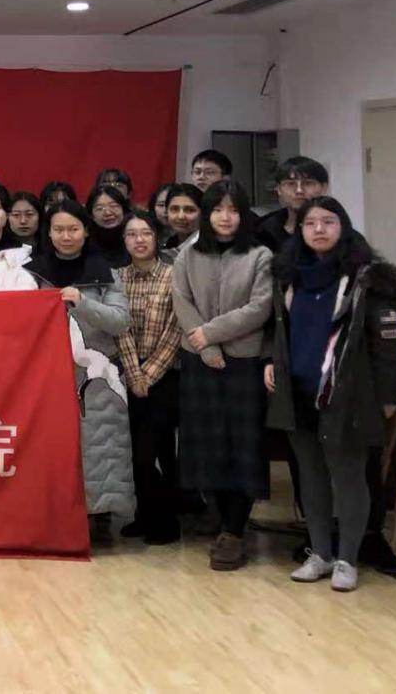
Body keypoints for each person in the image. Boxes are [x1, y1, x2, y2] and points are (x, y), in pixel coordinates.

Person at [267, 197, 396, 592]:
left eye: (328, 221)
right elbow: (278, 331)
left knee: (348, 478)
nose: (319, 229)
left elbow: (388, 345)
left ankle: (348, 558)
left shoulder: (367, 281)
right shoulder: (288, 277)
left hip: (346, 397)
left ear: (343, 228)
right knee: (311, 478)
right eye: (310, 222)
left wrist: (388, 397)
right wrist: (271, 362)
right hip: (297, 394)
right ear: (300, 231)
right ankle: (320, 553)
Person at [171, 180, 273, 572]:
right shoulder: (188, 254)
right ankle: (218, 515)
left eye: (233, 210)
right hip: (200, 362)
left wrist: (211, 334)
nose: (225, 217)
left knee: (241, 448)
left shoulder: (260, 255)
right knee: (206, 445)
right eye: (217, 209)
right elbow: (181, 301)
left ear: (243, 214)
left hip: (244, 364)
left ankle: (234, 530)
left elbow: (260, 307)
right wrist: (206, 348)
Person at [26, 200, 134, 545]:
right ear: (48, 233)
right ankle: (55, 515)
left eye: (73, 229)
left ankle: (100, 518)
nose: (66, 236)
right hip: (48, 373)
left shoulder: (104, 271)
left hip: (98, 374)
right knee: (52, 447)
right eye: (58, 229)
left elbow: (120, 320)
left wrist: (82, 303)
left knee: (101, 446)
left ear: (86, 231)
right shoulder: (32, 272)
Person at [115, 211, 184, 545]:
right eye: (131, 234)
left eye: (145, 233)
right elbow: (120, 329)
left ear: (157, 238)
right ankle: (144, 515)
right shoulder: (117, 278)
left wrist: (150, 373)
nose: (139, 240)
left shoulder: (175, 275)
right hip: (127, 373)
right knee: (135, 452)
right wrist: (134, 374)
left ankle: (167, 521)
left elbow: (178, 327)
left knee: (159, 451)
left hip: (166, 375)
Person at [256, 156, 329, 253]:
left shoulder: (339, 231)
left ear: (324, 188)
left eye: (308, 183)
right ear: (279, 189)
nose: (299, 190)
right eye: (291, 184)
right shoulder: (261, 232)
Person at [86, 185, 132, 267]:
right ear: (92, 215)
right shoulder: (85, 243)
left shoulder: (135, 237)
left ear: (123, 210)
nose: (108, 213)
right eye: (100, 208)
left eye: (113, 206)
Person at [163, 182, 204, 260]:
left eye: (189, 210)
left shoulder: (208, 250)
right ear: (166, 212)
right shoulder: (167, 244)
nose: (181, 216)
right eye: (174, 209)